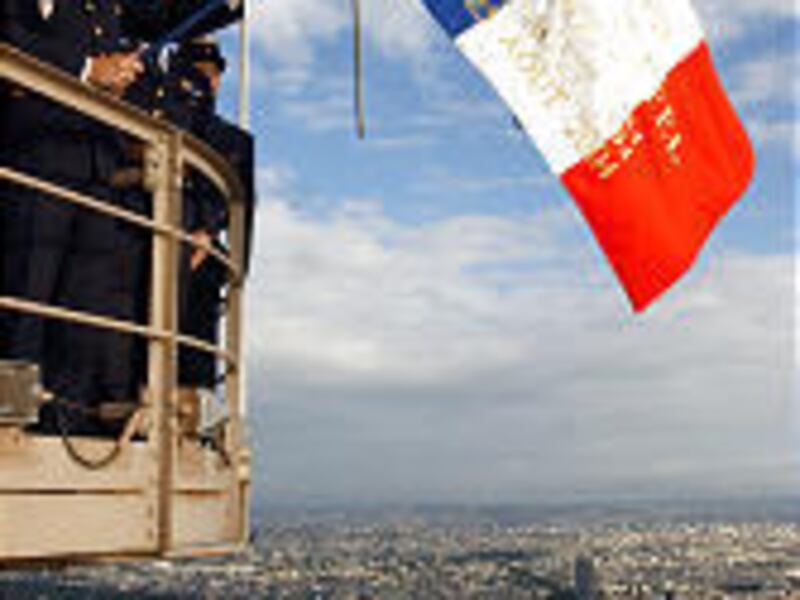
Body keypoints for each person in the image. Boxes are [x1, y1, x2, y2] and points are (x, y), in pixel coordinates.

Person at [0, 0, 144, 434]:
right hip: (39, 158)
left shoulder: (103, 8)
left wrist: (116, 77)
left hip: (99, 171)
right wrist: (86, 69)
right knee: (28, 297)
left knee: (83, 312)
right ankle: (10, 423)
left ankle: (62, 426)